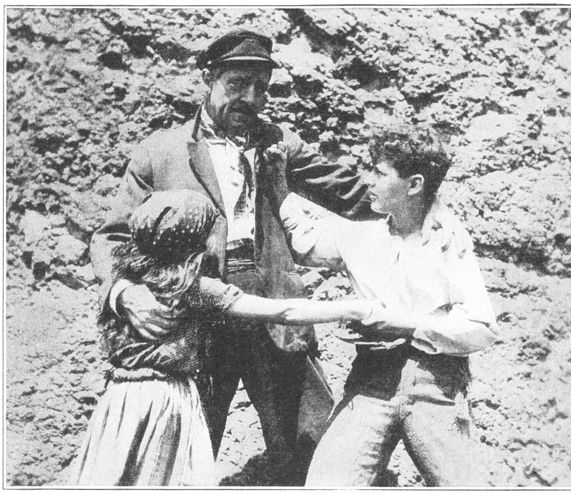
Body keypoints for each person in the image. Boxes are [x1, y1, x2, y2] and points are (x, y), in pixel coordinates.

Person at [89, 28, 370, 483]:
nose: (250, 98)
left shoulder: (280, 144)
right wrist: (124, 293)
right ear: (209, 77)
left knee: (311, 442)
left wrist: (425, 209)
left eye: (261, 87)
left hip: (271, 302)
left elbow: (350, 193)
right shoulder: (160, 153)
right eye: (237, 84)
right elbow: (111, 238)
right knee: (187, 446)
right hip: (196, 313)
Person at [73, 190, 386, 486]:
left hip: (121, 402)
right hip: (167, 400)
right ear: (193, 243)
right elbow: (285, 311)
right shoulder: (194, 288)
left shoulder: (130, 286)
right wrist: (357, 308)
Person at [263, 124, 499, 486]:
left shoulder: (450, 240)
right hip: (371, 382)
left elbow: (481, 327)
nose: (367, 180)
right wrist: (278, 183)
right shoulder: (362, 234)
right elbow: (304, 241)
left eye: (379, 172)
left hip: (435, 386)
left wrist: (403, 324)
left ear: (414, 184)